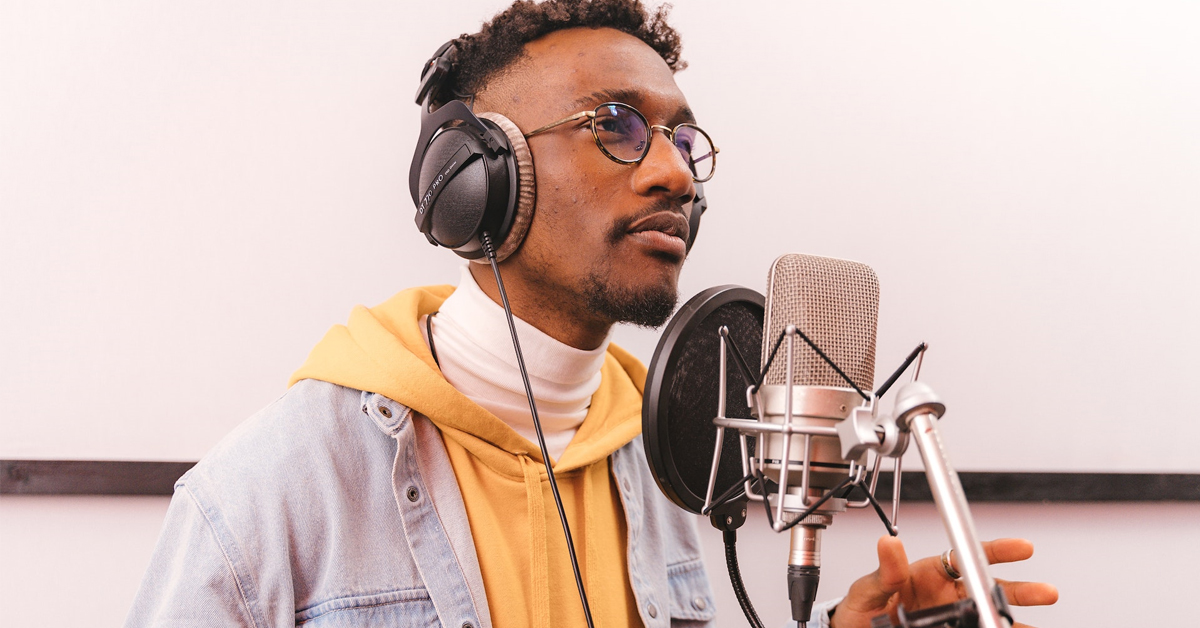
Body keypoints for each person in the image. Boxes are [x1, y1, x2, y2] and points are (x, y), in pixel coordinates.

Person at [125, 1, 1058, 627]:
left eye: (683, 138)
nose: (674, 173)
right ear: (477, 182)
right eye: (614, 124)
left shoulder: (668, 465)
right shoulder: (268, 494)